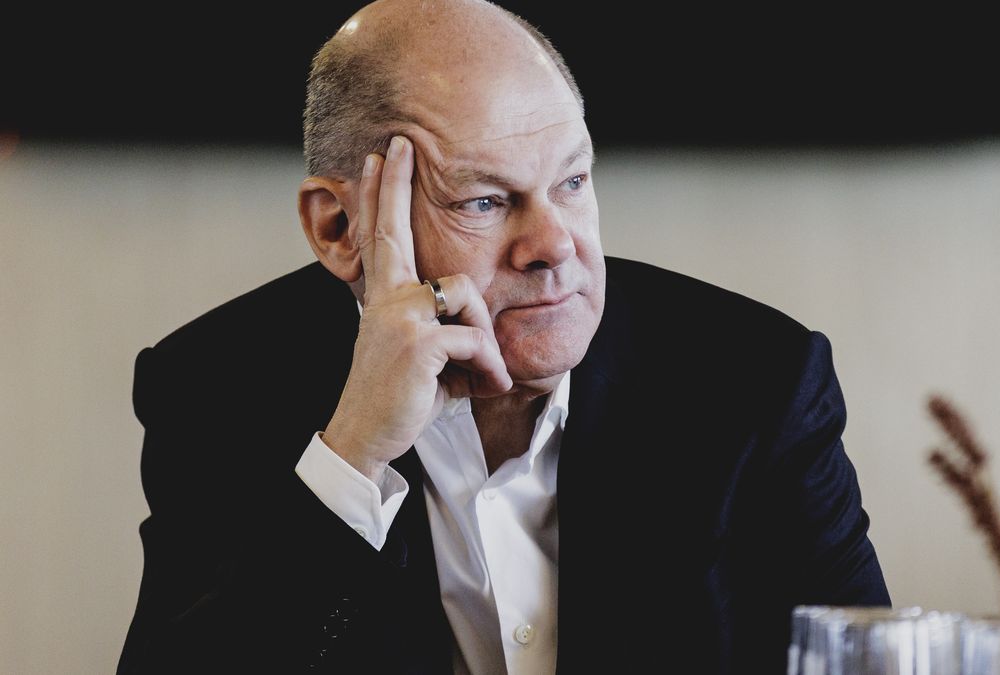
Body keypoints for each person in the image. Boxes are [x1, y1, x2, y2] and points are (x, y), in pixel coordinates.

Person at [117, 0, 889, 673]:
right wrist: (352, 454)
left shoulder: (756, 381)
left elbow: (867, 660)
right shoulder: (212, 387)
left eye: (572, 182)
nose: (554, 244)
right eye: (486, 201)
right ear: (341, 227)